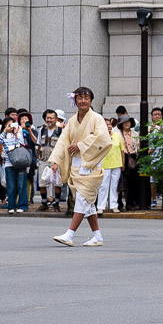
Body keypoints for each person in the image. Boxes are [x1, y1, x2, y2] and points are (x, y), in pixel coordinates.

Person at [50, 86, 111, 247]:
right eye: (80, 98)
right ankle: (97, 236)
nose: (83, 101)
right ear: (75, 100)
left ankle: (70, 234)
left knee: (83, 200)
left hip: (91, 164)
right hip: (76, 166)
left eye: (86, 98)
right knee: (87, 202)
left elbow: (103, 139)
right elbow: (63, 140)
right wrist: (56, 161)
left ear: (90, 100)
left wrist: (81, 146)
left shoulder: (97, 118)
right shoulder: (72, 120)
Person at [0, 119, 28, 213]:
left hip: (19, 161)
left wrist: (15, 134)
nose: (10, 126)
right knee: (11, 186)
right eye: (8, 125)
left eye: (11, 124)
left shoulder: (18, 134)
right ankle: (11, 206)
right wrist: (5, 131)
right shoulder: (3, 135)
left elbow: (20, 144)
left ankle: (22, 206)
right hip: (8, 163)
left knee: (21, 185)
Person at [36, 110, 63, 211]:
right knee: (42, 182)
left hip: (56, 159)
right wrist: (37, 158)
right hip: (43, 158)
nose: (50, 120)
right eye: (48, 118)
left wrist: (58, 161)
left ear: (56, 119)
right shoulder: (42, 130)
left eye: (52, 118)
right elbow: (39, 144)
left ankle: (56, 203)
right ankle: (44, 203)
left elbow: (62, 146)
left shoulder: (60, 130)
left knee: (57, 182)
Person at [96, 118, 124, 214]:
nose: (108, 126)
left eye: (110, 124)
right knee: (103, 186)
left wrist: (123, 163)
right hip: (104, 164)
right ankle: (101, 206)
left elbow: (122, 150)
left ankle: (114, 205)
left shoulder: (117, 135)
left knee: (114, 186)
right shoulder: (99, 137)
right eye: (106, 124)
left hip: (116, 164)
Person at [118, 115, 140, 211]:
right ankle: (119, 203)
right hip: (122, 157)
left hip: (133, 157)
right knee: (120, 182)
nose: (127, 124)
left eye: (129, 122)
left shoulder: (135, 133)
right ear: (121, 124)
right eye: (125, 122)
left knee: (133, 182)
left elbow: (138, 147)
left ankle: (130, 203)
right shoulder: (118, 134)